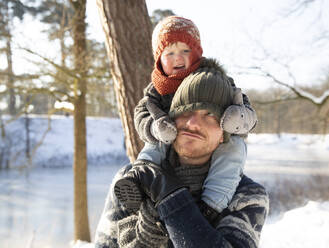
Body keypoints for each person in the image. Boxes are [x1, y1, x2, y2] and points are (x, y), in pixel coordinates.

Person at [94, 64, 269, 247]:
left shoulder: (247, 196)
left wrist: (170, 197)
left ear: (225, 132)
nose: (193, 123)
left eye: (210, 114)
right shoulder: (131, 181)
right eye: (185, 110)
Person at [133, 16, 257, 216]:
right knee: (154, 147)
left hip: (218, 135)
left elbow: (245, 107)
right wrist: (154, 128)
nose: (178, 58)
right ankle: (137, 180)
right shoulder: (156, 89)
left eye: (185, 50)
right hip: (170, 133)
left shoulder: (214, 79)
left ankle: (212, 203)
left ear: (198, 52)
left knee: (233, 150)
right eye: (169, 53)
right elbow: (141, 114)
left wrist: (239, 118)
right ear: (158, 58)